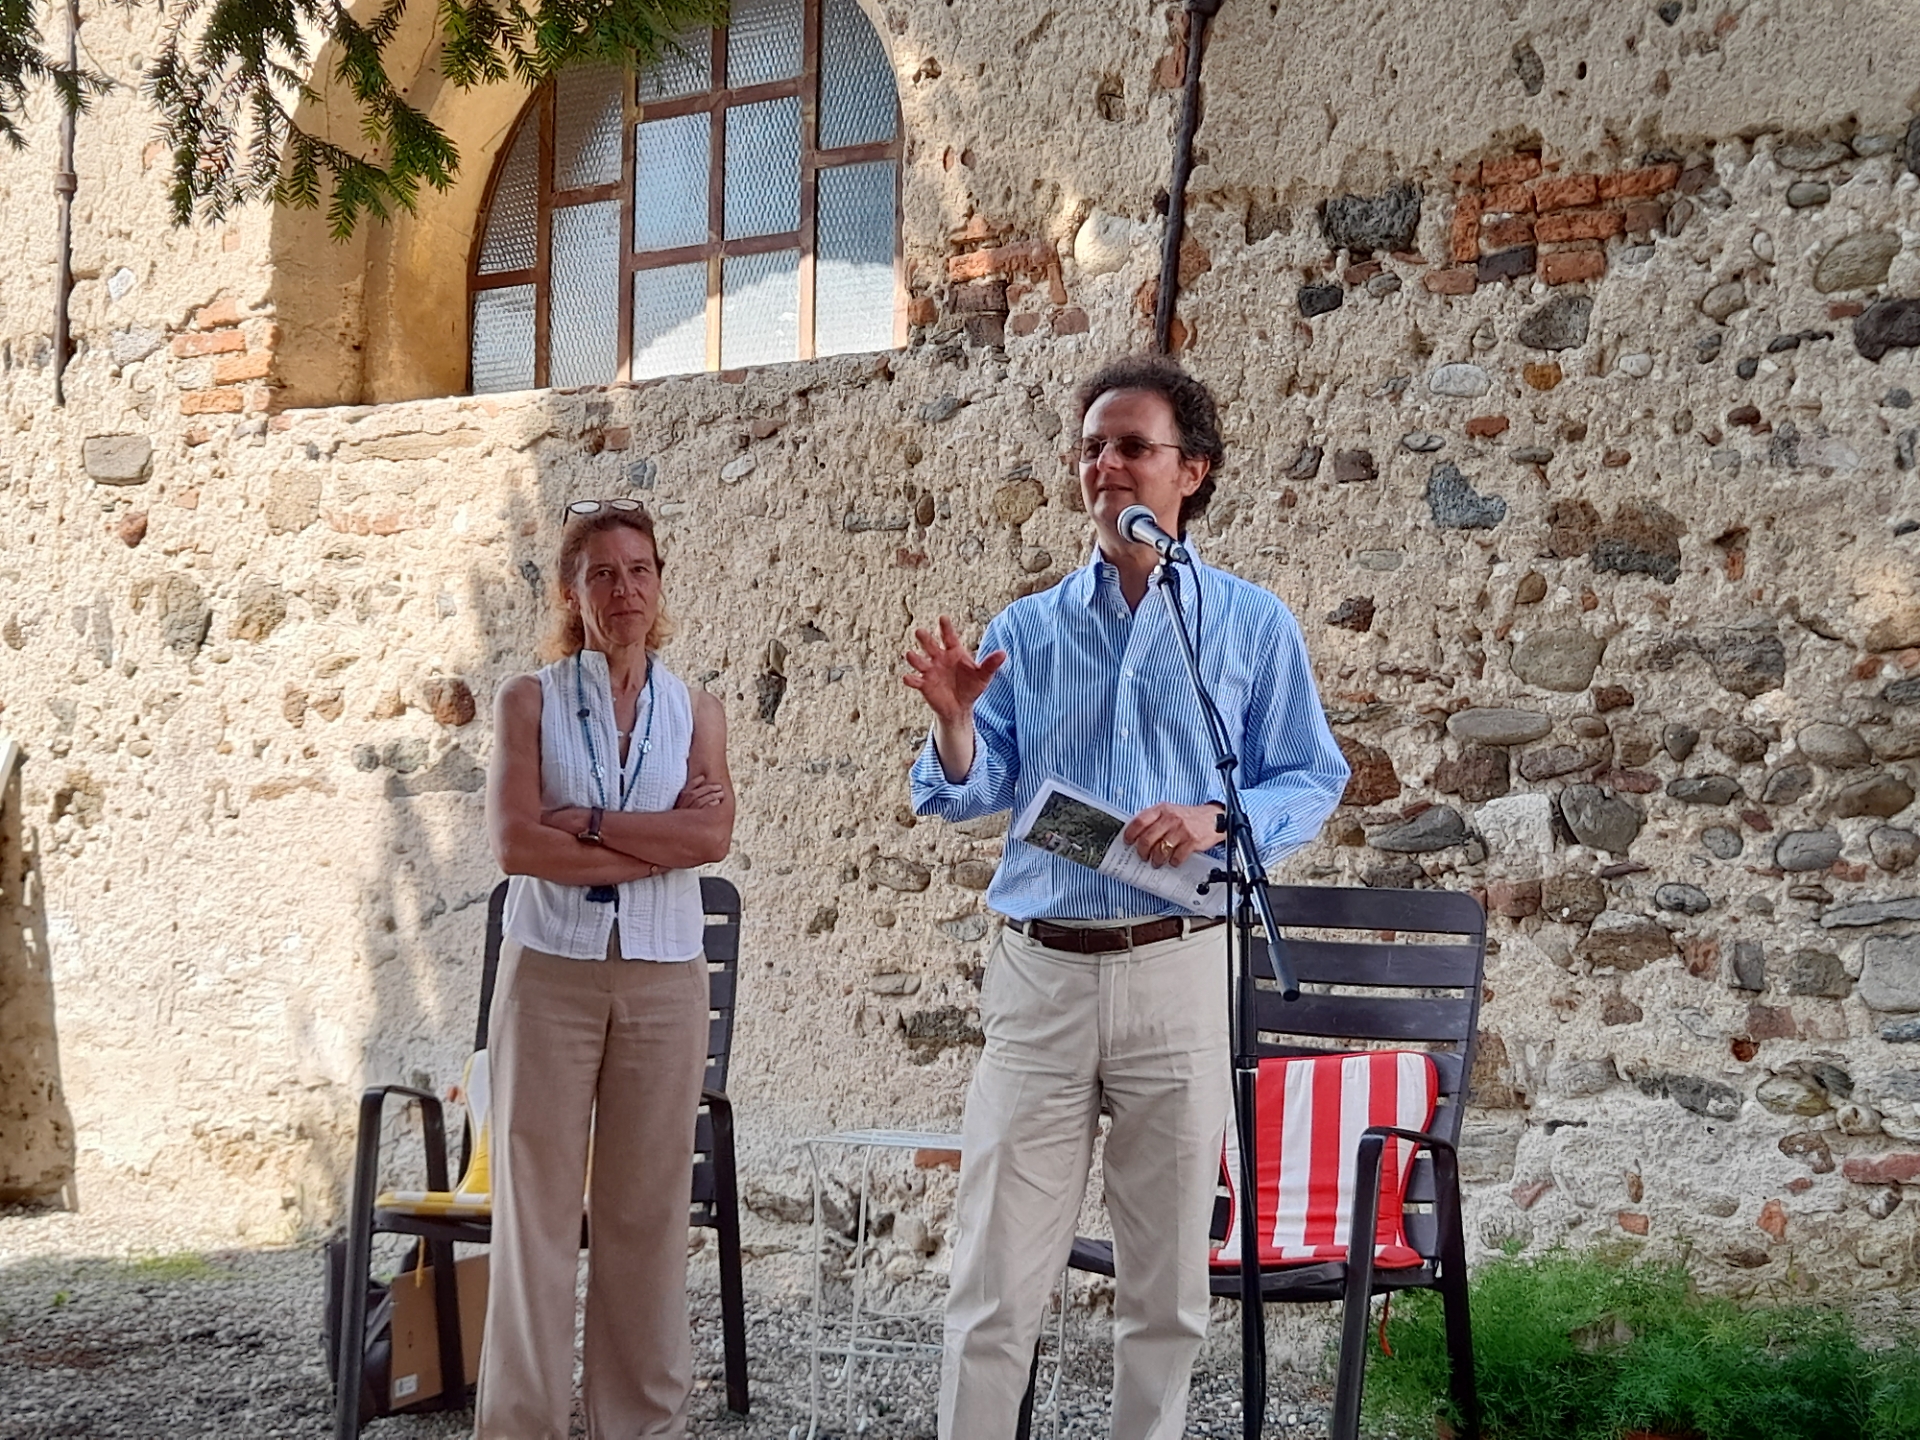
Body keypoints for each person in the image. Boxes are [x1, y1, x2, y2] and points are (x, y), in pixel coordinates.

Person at [904, 355, 1350, 1440]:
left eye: (1133, 446)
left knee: (1165, 1295)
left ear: (1192, 471)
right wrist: (956, 723)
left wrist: (1217, 817)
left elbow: (1310, 774)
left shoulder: (1249, 624)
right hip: (1041, 976)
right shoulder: (1028, 628)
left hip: (1179, 968)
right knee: (994, 1282)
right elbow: (963, 788)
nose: (1105, 464)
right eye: (1092, 446)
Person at [480, 499, 735, 1440]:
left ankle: (640, 1426)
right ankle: (524, 1426)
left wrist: (584, 825)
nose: (624, 590)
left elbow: (710, 837)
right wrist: (656, 842)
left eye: (639, 571)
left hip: (666, 979)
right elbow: (517, 845)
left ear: (660, 583)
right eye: (602, 574)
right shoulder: (528, 701)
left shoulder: (696, 711)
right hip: (550, 971)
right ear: (570, 592)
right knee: (536, 1213)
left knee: (645, 1214)